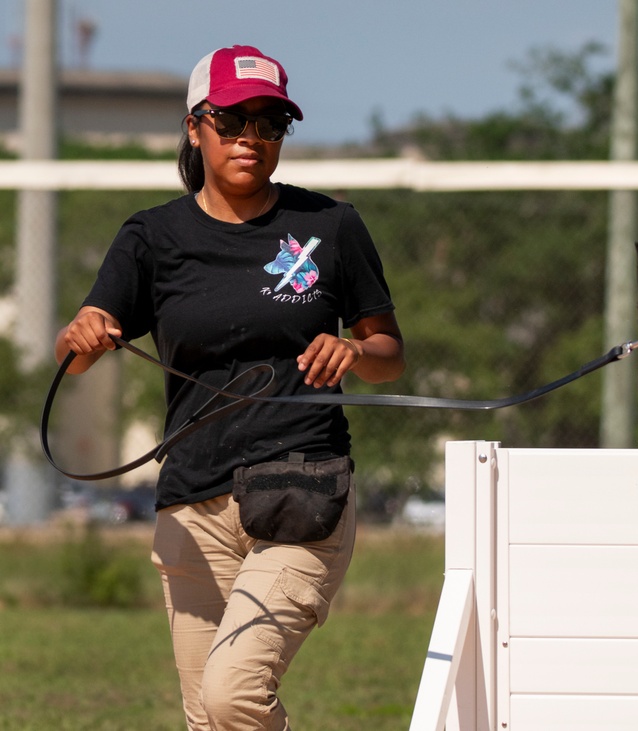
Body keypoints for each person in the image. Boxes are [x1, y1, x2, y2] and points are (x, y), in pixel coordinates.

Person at [54, 45, 405, 730]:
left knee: (233, 694)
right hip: (190, 503)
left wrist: (356, 348)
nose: (252, 137)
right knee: (207, 720)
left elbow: (390, 353)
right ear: (195, 126)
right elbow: (75, 360)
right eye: (232, 120)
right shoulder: (152, 237)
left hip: (302, 487)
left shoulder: (329, 226)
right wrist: (84, 332)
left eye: (270, 123)